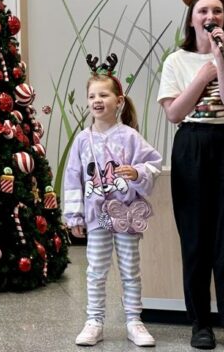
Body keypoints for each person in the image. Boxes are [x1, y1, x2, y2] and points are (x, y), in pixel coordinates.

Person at [157, 0, 224, 351]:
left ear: (223, 19)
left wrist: (219, 57)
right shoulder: (175, 60)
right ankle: (200, 324)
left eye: (217, 10)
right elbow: (174, 113)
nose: (211, 15)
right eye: (203, 10)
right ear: (191, 19)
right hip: (191, 145)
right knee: (195, 238)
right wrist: (202, 76)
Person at [63, 54, 162, 348]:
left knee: (130, 269)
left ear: (118, 101)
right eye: (92, 95)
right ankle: (94, 321)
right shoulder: (82, 140)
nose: (97, 100)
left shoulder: (130, 137)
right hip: (97, 218)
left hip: (126, 214)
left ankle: (134, 320)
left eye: (104, 95)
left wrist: (137, 172)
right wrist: (75, 216)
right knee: (95, 270)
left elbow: (154, 163)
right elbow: (72, 177)